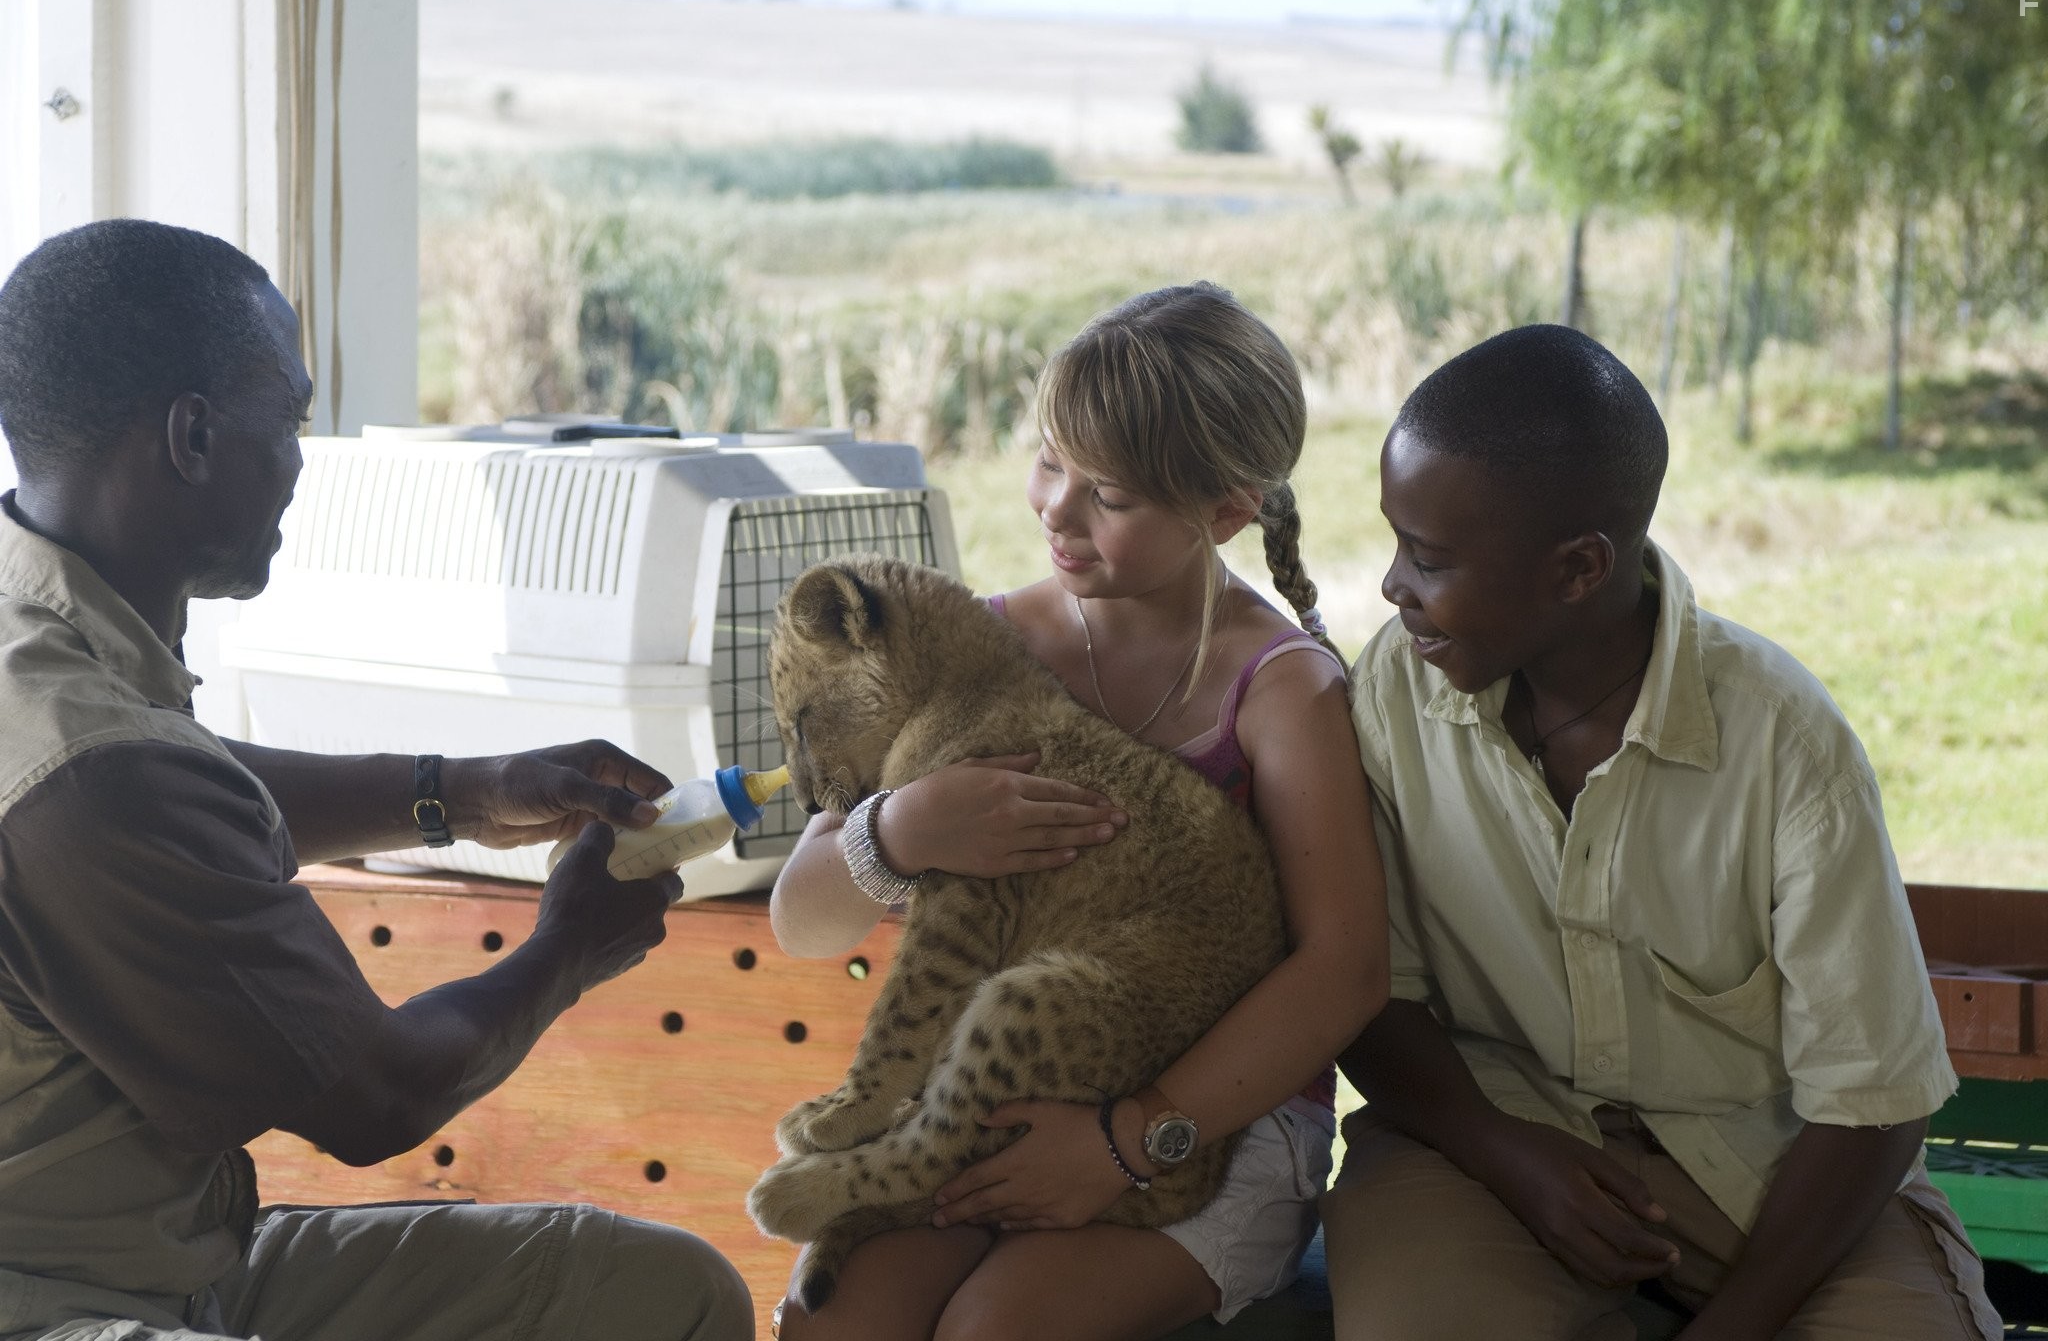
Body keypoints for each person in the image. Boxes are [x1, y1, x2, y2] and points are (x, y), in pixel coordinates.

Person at [0, 219, 753, 1341]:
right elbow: (379, 1096)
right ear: (193, 436)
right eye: (289, 421)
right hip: (57, 1303)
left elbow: (189, 788)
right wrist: (568, 946)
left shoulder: (49, 638)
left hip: (185, 1266)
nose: (300, 461)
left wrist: (462, 788)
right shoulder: (90, 771)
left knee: (663, 1293)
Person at [1321, 323, 2001, 1340]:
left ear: (1578, 567)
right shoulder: (1394, 687)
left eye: (1426, 558)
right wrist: (1501, 1149)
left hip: (1773, 1180)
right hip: (1482, 1143)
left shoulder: (1781, 741)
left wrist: (1731, 1325)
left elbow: (1872, 1095)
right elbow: (1370, 991)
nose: (1389, 587)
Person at [766, 282, 1388, 1340]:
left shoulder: (1280, 689)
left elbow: (1344, 970)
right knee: (836, 1318)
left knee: (996, 1327)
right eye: (1049, 459)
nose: (1055, 507)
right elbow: (801, 920)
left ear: (1226, 511)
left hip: (1212, 1123)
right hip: (984, 1092)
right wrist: (900, 829)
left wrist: (1126, 1138)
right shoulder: (977, 646)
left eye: (1108, 495)